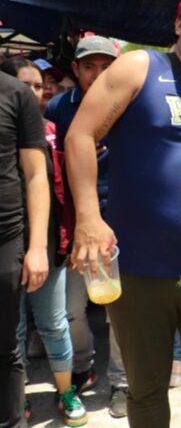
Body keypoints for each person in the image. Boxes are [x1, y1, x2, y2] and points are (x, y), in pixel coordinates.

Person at [65, 0, 181, 427]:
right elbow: (80, 136)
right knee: (145, 391)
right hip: (140, 270)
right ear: (180, 25)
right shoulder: (140, 66)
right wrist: (88, 217)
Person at [45, 34, 129, 418]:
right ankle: (83, 366)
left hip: (124, 220)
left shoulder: (132, 103)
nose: (98, 75)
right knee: (72, 309)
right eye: (89, 67)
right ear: (76, 70)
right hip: (76, 223)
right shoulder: (60, 108)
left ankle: (123, 383)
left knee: (119, 309)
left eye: (106, 67)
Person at [1, 57, 86, 426]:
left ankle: (65, 391)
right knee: (13, 331)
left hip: (44, 245)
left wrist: (55, 244)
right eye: (28, 85)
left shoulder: (52, 131)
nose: (36, 92)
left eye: (39, 86)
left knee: (53, 323)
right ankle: (16, 400)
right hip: (14, 247)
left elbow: (57, 191)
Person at [0, 67, 49, 427]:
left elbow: (35, 175)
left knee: (4, 348)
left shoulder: (16, 94)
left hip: (6, 240)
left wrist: (37, 247)